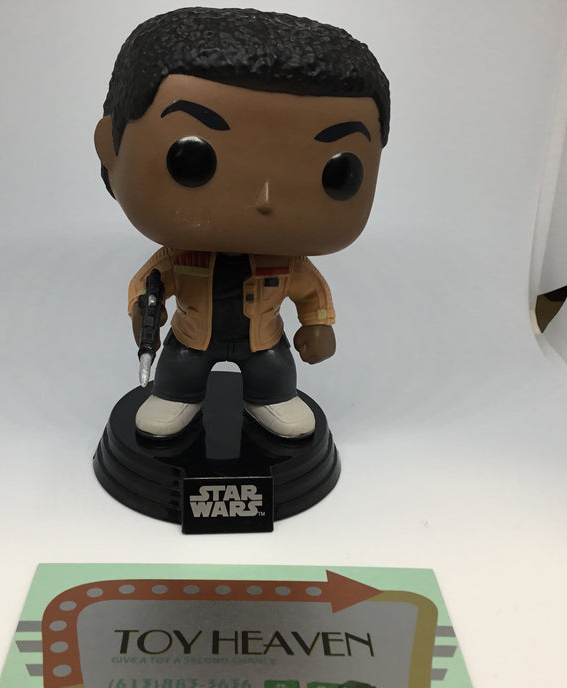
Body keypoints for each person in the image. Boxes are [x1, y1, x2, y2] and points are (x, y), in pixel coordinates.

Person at [94, 7, 389, 438]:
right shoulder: (180, 257)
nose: (265, 198)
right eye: (192, 158)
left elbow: (310, 292)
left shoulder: (288, 263)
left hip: (263, 342)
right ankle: (177, 395)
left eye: (338, 172)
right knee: (179, 372)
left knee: (273, 374)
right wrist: (144, 310)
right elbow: (150, 283)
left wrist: (318, 325)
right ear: (110, 148)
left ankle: (270, 397)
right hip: (191, 339)